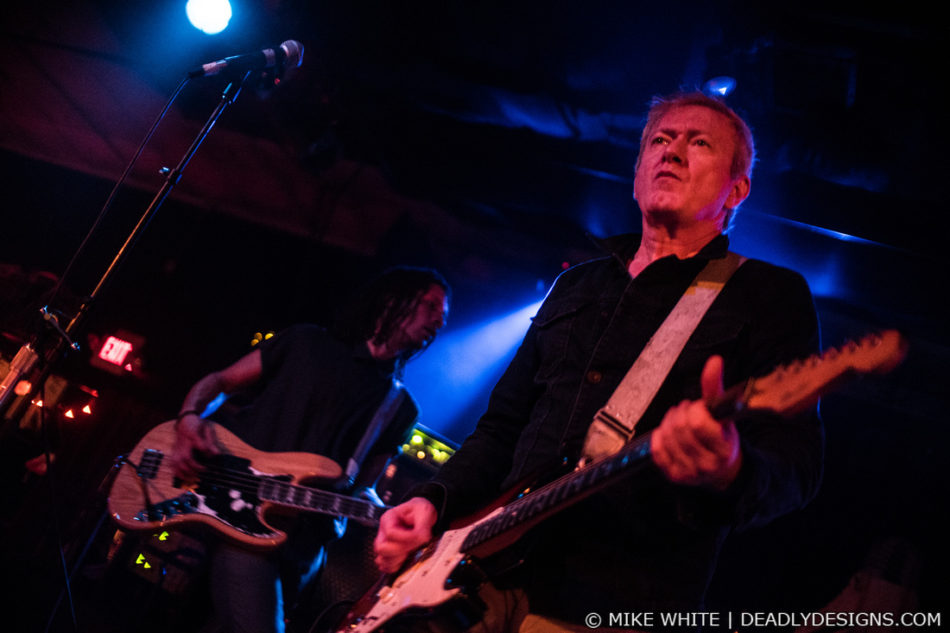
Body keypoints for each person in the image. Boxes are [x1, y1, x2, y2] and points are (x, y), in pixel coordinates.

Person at [373, 93, 823, 631]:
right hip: (479, 577)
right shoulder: (576, 285)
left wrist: (731, 469)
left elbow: (797, 466)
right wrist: (433, 499)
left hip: (612, 597)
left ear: (737, 189)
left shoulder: (767, 294)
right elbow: (500, 430)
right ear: (636, 174)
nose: (672, 152)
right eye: (660, 140)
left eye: (698, 143)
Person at [170, 266, 451, 633]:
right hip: (238, 524)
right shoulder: (305, 342)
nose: (438, 320)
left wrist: (384, 514)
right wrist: (189, 418)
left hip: (303, 549)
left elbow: (361, 486)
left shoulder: (399, 406)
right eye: (430, 305)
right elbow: (221, 382)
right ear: (393, 298)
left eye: (443, 317)